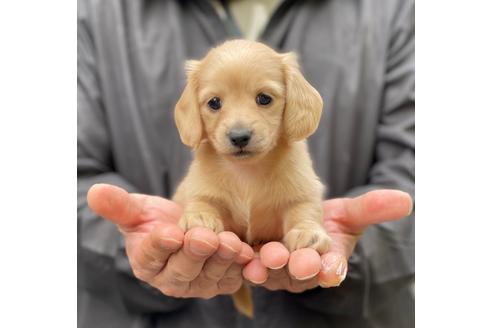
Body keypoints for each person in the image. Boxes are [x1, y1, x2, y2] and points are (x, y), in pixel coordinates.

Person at [77, 0, 415, 327]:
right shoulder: (96, 12)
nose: (239, 128)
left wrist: (344, 253)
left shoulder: (394, 10)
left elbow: (407, 170)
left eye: (264, 99)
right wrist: (134, 255)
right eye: (214, 103)